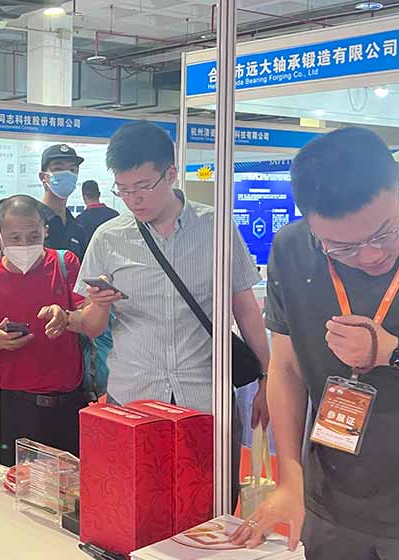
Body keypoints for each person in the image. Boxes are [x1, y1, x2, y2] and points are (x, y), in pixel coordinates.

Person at [232, 127, 399, 559]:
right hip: (331, 500)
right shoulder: (292, 249)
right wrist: (290, 477)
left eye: (384, 234)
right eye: (343, 247)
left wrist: (393, 353)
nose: (370, 256)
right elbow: (287, 368)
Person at [72, 121, 271, 504]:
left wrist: (267, 379)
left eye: (143, 186)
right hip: (133, 400)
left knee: (210, 509)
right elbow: (93, 328)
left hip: (206, 402)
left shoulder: (215, 228)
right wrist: (99, 304)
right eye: (123, 189)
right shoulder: (108, 238)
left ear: (171, 174)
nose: (134, 199)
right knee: (135, 508)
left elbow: (246, 309)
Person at [0, 195, 89, 466]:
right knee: (11, 482)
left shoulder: (64, 264)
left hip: (67, 402)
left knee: (69, 483)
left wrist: (65, 317)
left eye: (33, 236)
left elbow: (88, 319)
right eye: (14, 238)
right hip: (11, 405)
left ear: (45, 231)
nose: (24, 245)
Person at [39, 144, 89, 260]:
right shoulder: (31, 220)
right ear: (43, 177)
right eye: (58, 169)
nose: (67, 174)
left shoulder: (77, 228)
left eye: (72, 170)